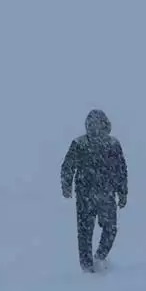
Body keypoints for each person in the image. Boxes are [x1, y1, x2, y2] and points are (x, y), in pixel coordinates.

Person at [61, 109, 128, 272]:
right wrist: (66, 185)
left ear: (105, 124)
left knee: (110, 229)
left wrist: (122, 192)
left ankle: (99, 257)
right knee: (84, 233)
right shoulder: (80, 144)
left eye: (97, 123)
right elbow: (68, 166)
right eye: (91, 124)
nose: (94, 127)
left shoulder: (113, 144)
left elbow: (121, 169)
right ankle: (86, 268)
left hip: (107, 194)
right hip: (85, 196)